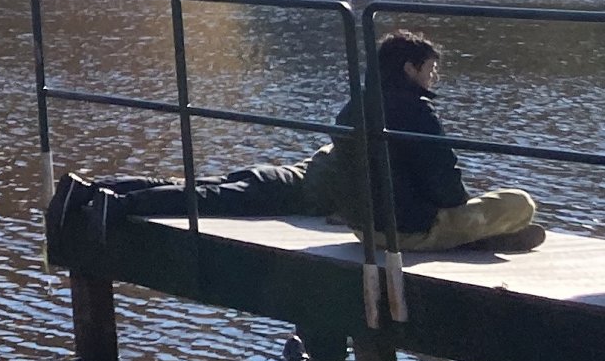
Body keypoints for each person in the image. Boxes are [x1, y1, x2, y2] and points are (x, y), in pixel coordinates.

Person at [48, 30, 539, 257]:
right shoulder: (414, 112)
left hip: (303, 180)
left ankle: (101, 190)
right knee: (207, 194)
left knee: (204, 187)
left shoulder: (356, 107)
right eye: (431, 68)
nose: (436, 77)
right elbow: (447, 192)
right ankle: (114, 200)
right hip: (325, 200)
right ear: (410, 70)